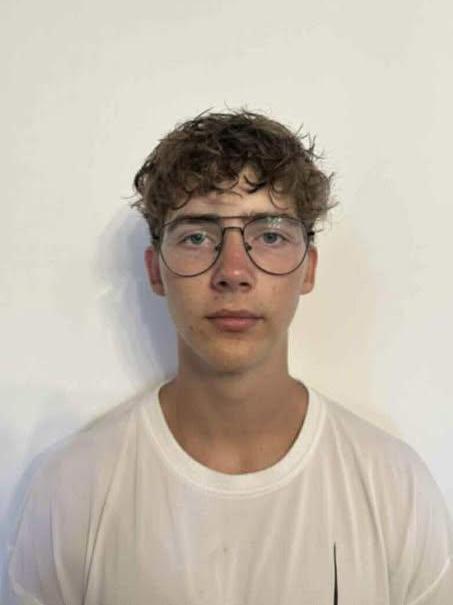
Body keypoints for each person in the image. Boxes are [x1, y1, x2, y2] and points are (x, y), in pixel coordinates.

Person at [3, 110, 452, 604]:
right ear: (155, 271)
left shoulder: (396, 489)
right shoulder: (71, 491)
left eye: (270, 234)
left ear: (308, 269)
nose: (233, 271)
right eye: (197, 236)